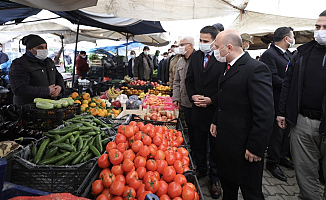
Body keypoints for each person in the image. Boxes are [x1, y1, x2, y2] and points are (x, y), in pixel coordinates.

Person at [210, 29, 274, 200]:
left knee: (251, 192)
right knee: (228, 187)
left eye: (217, 47)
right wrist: (216, 120)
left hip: (245, 145)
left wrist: (255, 146)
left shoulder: (256, 69)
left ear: (229, 48)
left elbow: (265, 113)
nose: (214, 51)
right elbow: (224, 97)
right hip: (226, 141)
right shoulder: (226, 67)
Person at [277, 10, 326, 199]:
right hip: (303, 121)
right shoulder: (302, 53)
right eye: (317, 27)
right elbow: (288, 83)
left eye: (325, 27)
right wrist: (282, 112)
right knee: (305, 172)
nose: (320, 31)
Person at [185, 25, 223, 199]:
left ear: (215, 41)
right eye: (200, 40)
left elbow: (225, 86)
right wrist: (193, 96)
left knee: (215, 147)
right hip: (197, 109)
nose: (202, 44)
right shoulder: (195, 57)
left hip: (214, 111)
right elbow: (189, 79)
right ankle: (201, 169)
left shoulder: (222, 58)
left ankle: (215, 179)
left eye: (205, 41)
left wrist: (211, 100)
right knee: (198, 142)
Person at [260, 27, 295, 182]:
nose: (294, 39)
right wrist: (291, 85)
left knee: (284, 133)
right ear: (286, 38)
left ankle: (281, 157)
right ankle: (272, 162)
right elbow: (271, 78)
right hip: (274, 100)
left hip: (285, 100)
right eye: (292, 36)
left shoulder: (287, 54)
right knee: (276, 133)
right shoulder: (269, 54)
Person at [9, 34, 64, 106]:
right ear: (30, 49)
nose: (44, 50)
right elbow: (19, 89)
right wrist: (47, 91)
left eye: (45, 47)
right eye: (40, 48)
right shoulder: (19, 64)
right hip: (27, 108)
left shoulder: (49, 61)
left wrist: (59, 87)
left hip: (49, 106)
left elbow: (58, 77)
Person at [172, 36, 195, 158]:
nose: (179, 48)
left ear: (190, 45)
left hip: (196, 103)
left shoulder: (197, 59)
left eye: (182, 45)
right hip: (184, 102)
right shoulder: (180, 61)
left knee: (198, 131)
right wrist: (176, 97)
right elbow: (176, 81)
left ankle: (199, 155)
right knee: (189, 128)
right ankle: (192, 151)